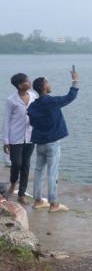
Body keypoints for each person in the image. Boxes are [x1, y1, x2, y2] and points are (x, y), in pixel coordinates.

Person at [28, 69, 79, 213]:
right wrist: (75, 81)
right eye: (48, 83)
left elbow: (32, 123)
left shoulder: (33, 106)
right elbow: (69, 97)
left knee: (38, 171)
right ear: (44, 87)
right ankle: (54, 203)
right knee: (52, 173)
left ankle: (38, 201)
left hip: (40, 143)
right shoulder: (51, 101)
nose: (50, 85)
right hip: (52, 143)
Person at [2, 73, 36, 204]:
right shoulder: (12, 100)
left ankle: (21, 194)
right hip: (15, 138)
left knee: (26, 165)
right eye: (27, 81)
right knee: (16, 164)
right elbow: (7, 121)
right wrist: (6, 141)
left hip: (30, 137)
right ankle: (12, 183)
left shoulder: (33, 96)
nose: (29, 82)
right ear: (20, 85)